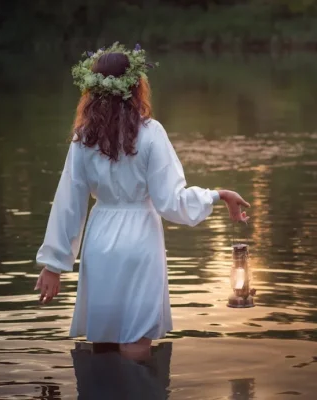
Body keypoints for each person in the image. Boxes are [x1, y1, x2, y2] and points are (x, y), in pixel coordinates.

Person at [34, 43, 250, 360]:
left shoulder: (83, 138)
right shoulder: (150, 133)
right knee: (136, 340)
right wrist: (217, 195)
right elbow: (171, 201)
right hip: (140, 239)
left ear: (93, 90)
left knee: (104, 341)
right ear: (136, 87)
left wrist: (53, 266)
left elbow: (69, 202)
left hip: (101, 239)